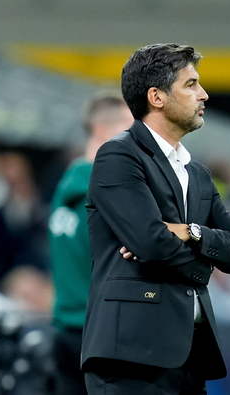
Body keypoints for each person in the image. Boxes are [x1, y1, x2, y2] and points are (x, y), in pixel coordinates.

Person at [81, 43, 230, 394]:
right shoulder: (118, 155)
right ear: (156, 97)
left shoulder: (199, 174)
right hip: (131, 358)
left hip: (189, 360)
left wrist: (192, 233)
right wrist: (205, 266)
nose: (203, 94)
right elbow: (151, 242)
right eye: (190, 85)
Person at [48, 92, 133, 395]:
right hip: (102, 333)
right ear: (102, 131)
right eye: (128, 125)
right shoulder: (105, 192)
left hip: (66, 330)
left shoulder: (66, 185)